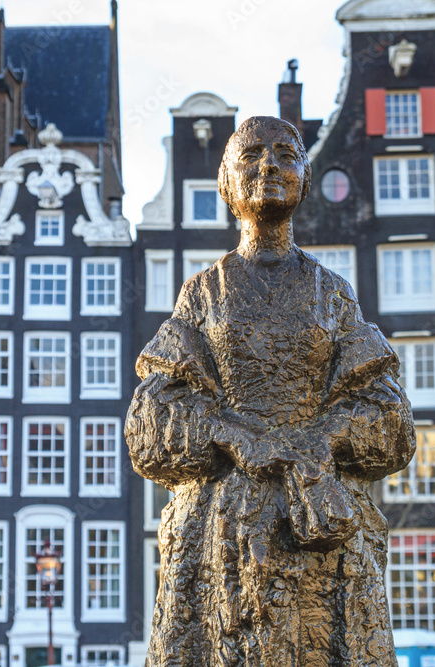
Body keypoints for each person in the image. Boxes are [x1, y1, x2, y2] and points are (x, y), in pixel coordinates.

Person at [125, 116, 415, 665]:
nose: (269, 164)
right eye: (252, 153)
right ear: (227, 184)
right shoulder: (203, 292)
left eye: (286, 153)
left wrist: (323, 441)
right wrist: (232, 436)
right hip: (224, 526)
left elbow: (387, 408)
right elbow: (151, 412)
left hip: (318, 521)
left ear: (304, 178)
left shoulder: (331, 291)